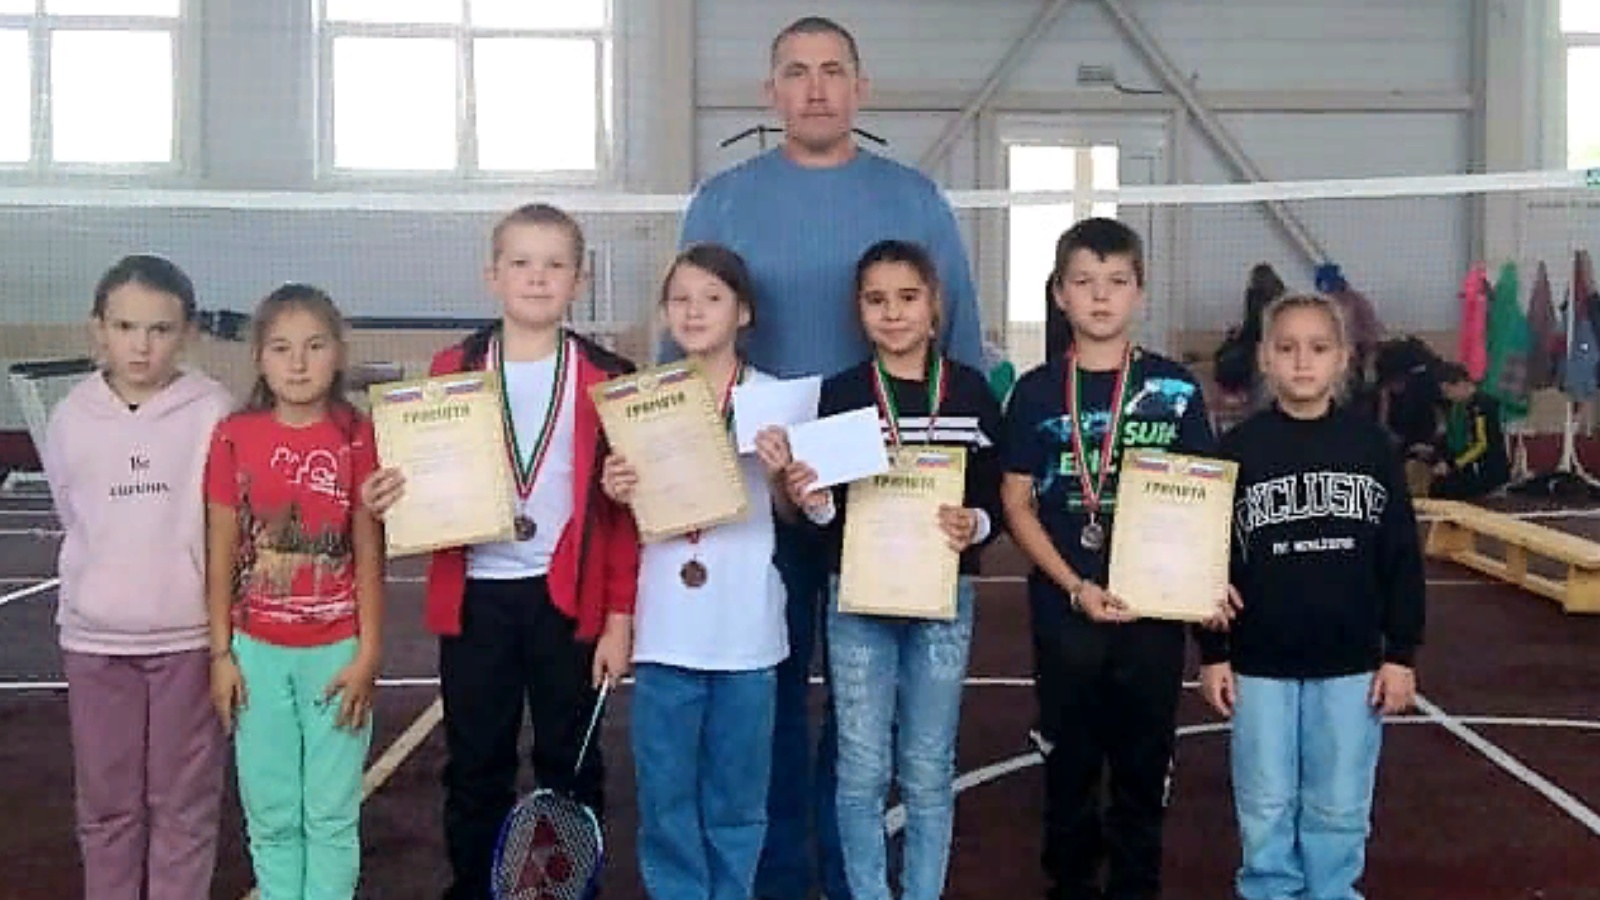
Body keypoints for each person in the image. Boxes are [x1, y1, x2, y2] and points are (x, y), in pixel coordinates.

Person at [677, 17, 984, 899]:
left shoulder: (916, 200)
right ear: (769, 91)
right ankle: (779, 879)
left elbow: (959, 344)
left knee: (863, 712)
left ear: (861, 87)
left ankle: (853, 882)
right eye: (796, 72)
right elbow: (686, 341)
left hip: (883, 500)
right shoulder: (722, 200)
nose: (815, 89)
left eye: (832, 71)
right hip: (759, 489)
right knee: (769, 700)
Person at [360, 202, 638, 900]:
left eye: (555, 265)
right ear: (493, 276)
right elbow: (410, 471)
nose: (537, 278)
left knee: (570, 766)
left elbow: (620, 519)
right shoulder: (452, 368)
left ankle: (564, 890)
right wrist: (390, 491)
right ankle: (473, 888)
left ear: (579, 280)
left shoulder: (607, 374)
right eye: (521, 263)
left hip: (566, 600)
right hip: (478, 597)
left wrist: (619, 619)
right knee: (475, 763)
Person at [1000, 218, 1234, 900]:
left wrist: (1209, 609)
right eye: (1084, 282)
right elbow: (1016, 502)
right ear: (1059, 294)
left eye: (1116, 282)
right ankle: (1069, 886)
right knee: (1069, 766)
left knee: (1144, 766)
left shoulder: (1175, 388)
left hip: (1153, 612)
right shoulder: (1037, 391)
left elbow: (1204, 498)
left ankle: (1136, 886)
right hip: (1066, 610)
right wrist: (1074, 585)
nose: (1100, 296)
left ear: (1140, 292)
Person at [782, 239, 1003, 900]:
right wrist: (814, 503)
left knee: (929, 767)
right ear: (859, 312)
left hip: (943, 596)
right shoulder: (843, 395)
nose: (893, 312)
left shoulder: (970, 391)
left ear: (935, 307)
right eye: (876, 300)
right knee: (861, 769)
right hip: (858, 601)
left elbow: (995, 495)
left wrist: (976, 524)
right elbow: (828, 514)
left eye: (908, 298)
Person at [1198, 292, 1425, 900]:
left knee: (1340, 803)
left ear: (1343, 358)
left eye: (1318, 348)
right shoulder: (1239, 451)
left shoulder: (1372, 448)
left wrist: (1400, 653)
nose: (1302, 361)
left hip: (1351, 664)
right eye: (1287, 348)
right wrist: (1213, 652)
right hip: (1259, 663)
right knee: (1265, 802)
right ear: (1264, 359)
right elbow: (1211, 561)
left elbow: (1402, 557)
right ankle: (1268, 891)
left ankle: (1332, 891)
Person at [600, 243, 793, 900]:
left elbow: (800, 515)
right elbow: (622, 525)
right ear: (664, 312)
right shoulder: (638, 402)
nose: (694, 310)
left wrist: (784, 476)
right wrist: (615, 488)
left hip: (746, 632)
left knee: (737, 799)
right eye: (680, 299)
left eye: (712, 298)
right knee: (666, 799)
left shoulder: (776, 399)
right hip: (664, 631)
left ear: (744, 312)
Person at [41, 254, 234, 900]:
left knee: (184, 804)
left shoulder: (214, 411)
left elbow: (225, 521)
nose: (142, 346)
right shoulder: (71, 417)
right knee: (106, 805)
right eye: (125, 327)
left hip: (188, 640)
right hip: (95, 643)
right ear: (98, 328)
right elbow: (74, 512)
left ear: (188, 333)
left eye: (160, 329)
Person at [205, 284, 385, 899]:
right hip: (255, 654)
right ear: (259, 357)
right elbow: (221, 550)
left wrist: (368, 654)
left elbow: (368, 550)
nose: (299, 363)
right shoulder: (233, 436)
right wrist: (221, 654)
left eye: (314, 346)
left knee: (331, 815)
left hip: (336, 654)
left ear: (338, 353)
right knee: (273, 814)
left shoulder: (357, 435)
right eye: (281, 348)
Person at [1429, 362, 1510, 499]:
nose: (1447, 396)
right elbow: (1451, 440)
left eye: (1448, 391)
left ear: (1461, 383)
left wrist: (1452, 465)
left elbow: (1481, 444)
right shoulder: (1457, 408)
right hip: (1466, 467)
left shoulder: (1482, 405)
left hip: (1485, 469)